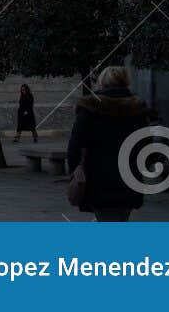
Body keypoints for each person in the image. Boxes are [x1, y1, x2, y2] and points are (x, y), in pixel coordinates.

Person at [66, 65, 150, 222]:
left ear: (102, 83)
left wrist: (75, 172)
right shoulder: (137, 110)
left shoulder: (90, 109)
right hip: (129, 180)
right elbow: (146, 146)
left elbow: (74, 148)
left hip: (98, 181)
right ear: (125, 82)